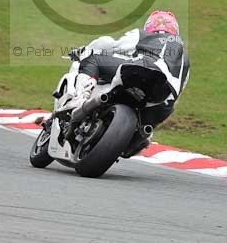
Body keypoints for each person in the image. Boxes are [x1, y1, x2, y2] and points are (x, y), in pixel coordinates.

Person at [69, 10, 189, 157]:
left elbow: (113, 45)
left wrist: (86, 50)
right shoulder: (184, 57)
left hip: (140, 73)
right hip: (162, 100)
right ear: (175, 30)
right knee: (140, 135)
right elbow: (180, 89)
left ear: (149, 26)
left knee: (93, 60)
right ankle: (143, 135)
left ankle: (79, 98)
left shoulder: (143, 35)